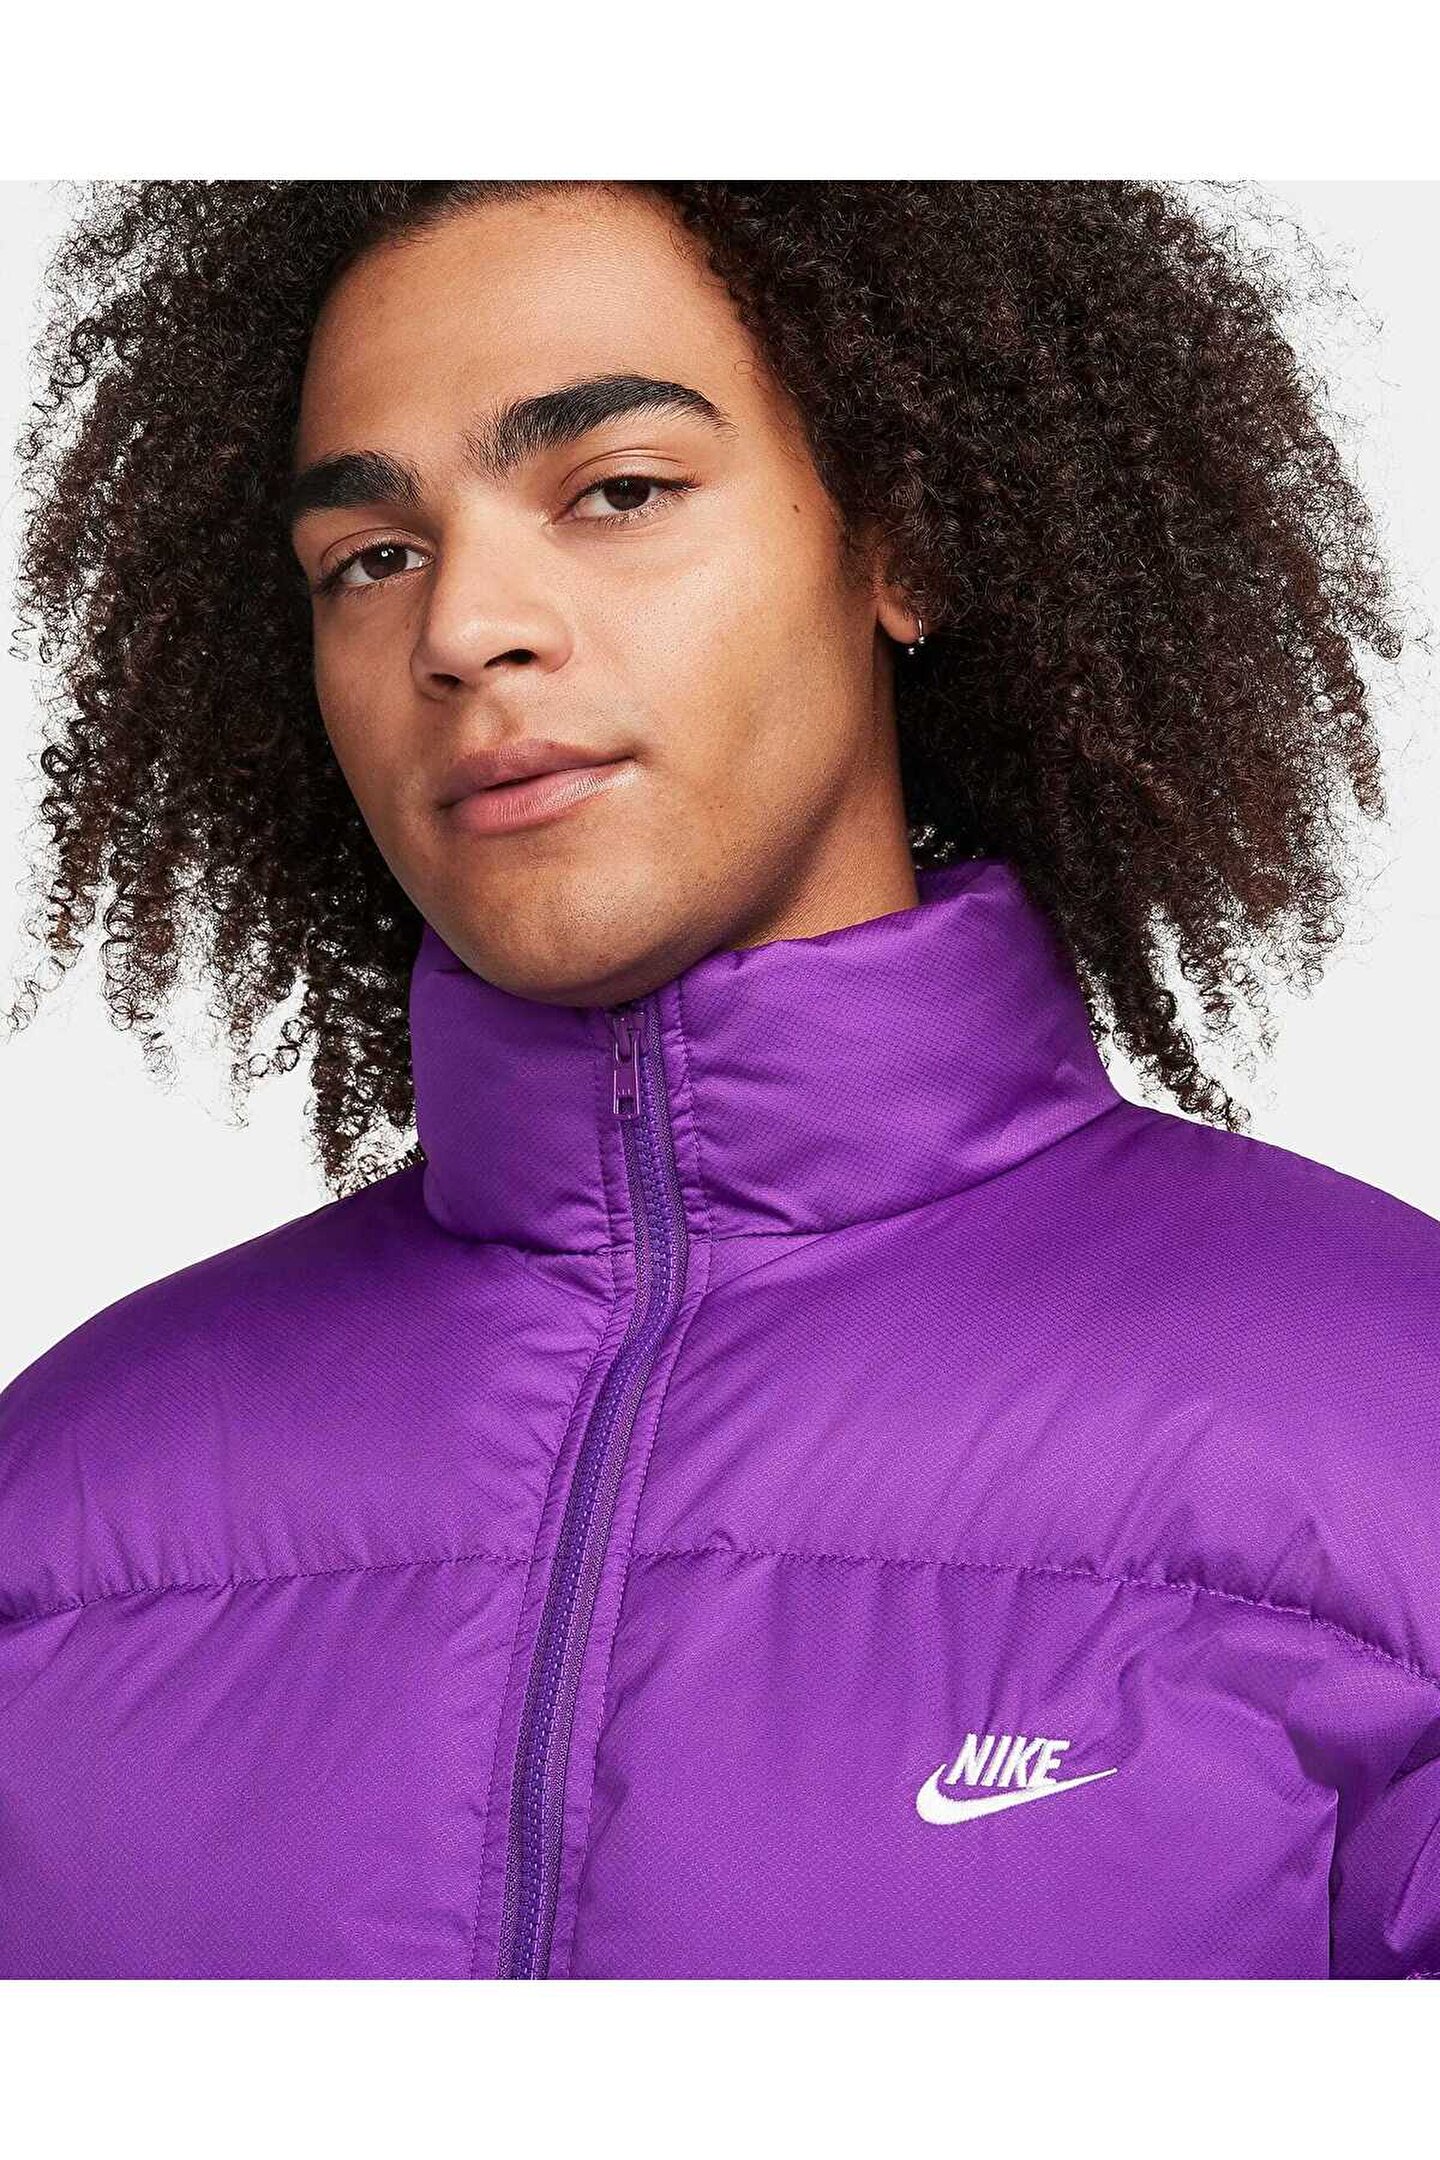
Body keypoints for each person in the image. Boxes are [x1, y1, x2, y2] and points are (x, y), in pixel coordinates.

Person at [1, 179, 1436, 1979]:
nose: (463, 628)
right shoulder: (59, 1501)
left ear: (901, 544)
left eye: (617, 491)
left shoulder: (1386, 1411)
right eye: (370, 557)